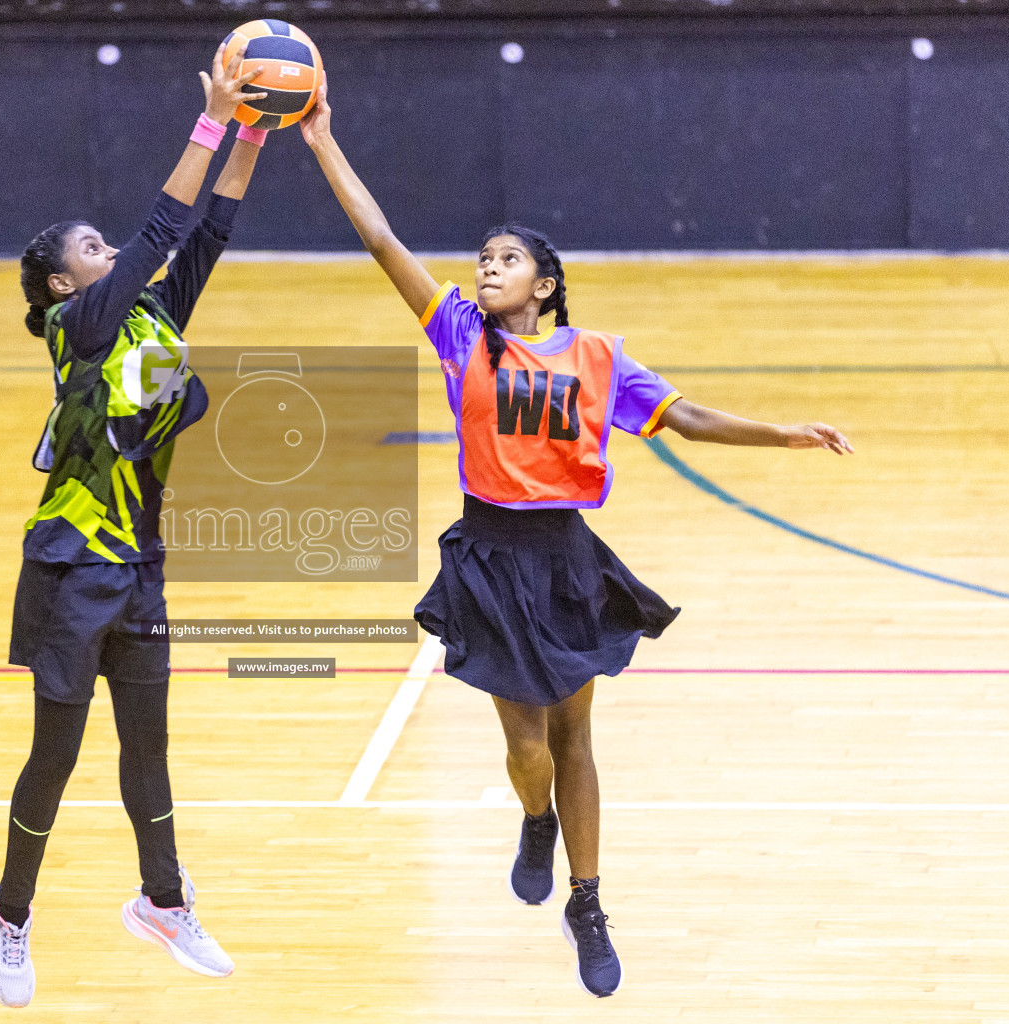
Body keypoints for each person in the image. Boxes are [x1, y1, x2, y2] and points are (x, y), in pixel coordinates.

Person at [299, 78, 852, 998]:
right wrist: (321, 142)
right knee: (527, 751)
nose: (485, 266)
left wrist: (782, 432)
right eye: (482, 257)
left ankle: (587, 901)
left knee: (576, 736)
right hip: (487, 555)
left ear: (543, 284)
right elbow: (382, 240)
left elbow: (690, 418)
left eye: (505, 259)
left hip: (562, 556)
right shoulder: (459, 336)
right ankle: (534, 821)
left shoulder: (598, 357)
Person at [0, 44, 273, 1007]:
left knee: (146, 751)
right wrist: (207, 121)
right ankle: (12, 916)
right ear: (66, 287)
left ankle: (162, 903)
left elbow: (208, 229)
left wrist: (256, 128)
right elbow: (160, 226)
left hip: (138, 562)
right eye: (94, 251)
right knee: (54, 760)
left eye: (108, 249)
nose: (114, 256)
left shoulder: (150, 310)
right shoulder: (83, 327)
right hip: (71, 569)